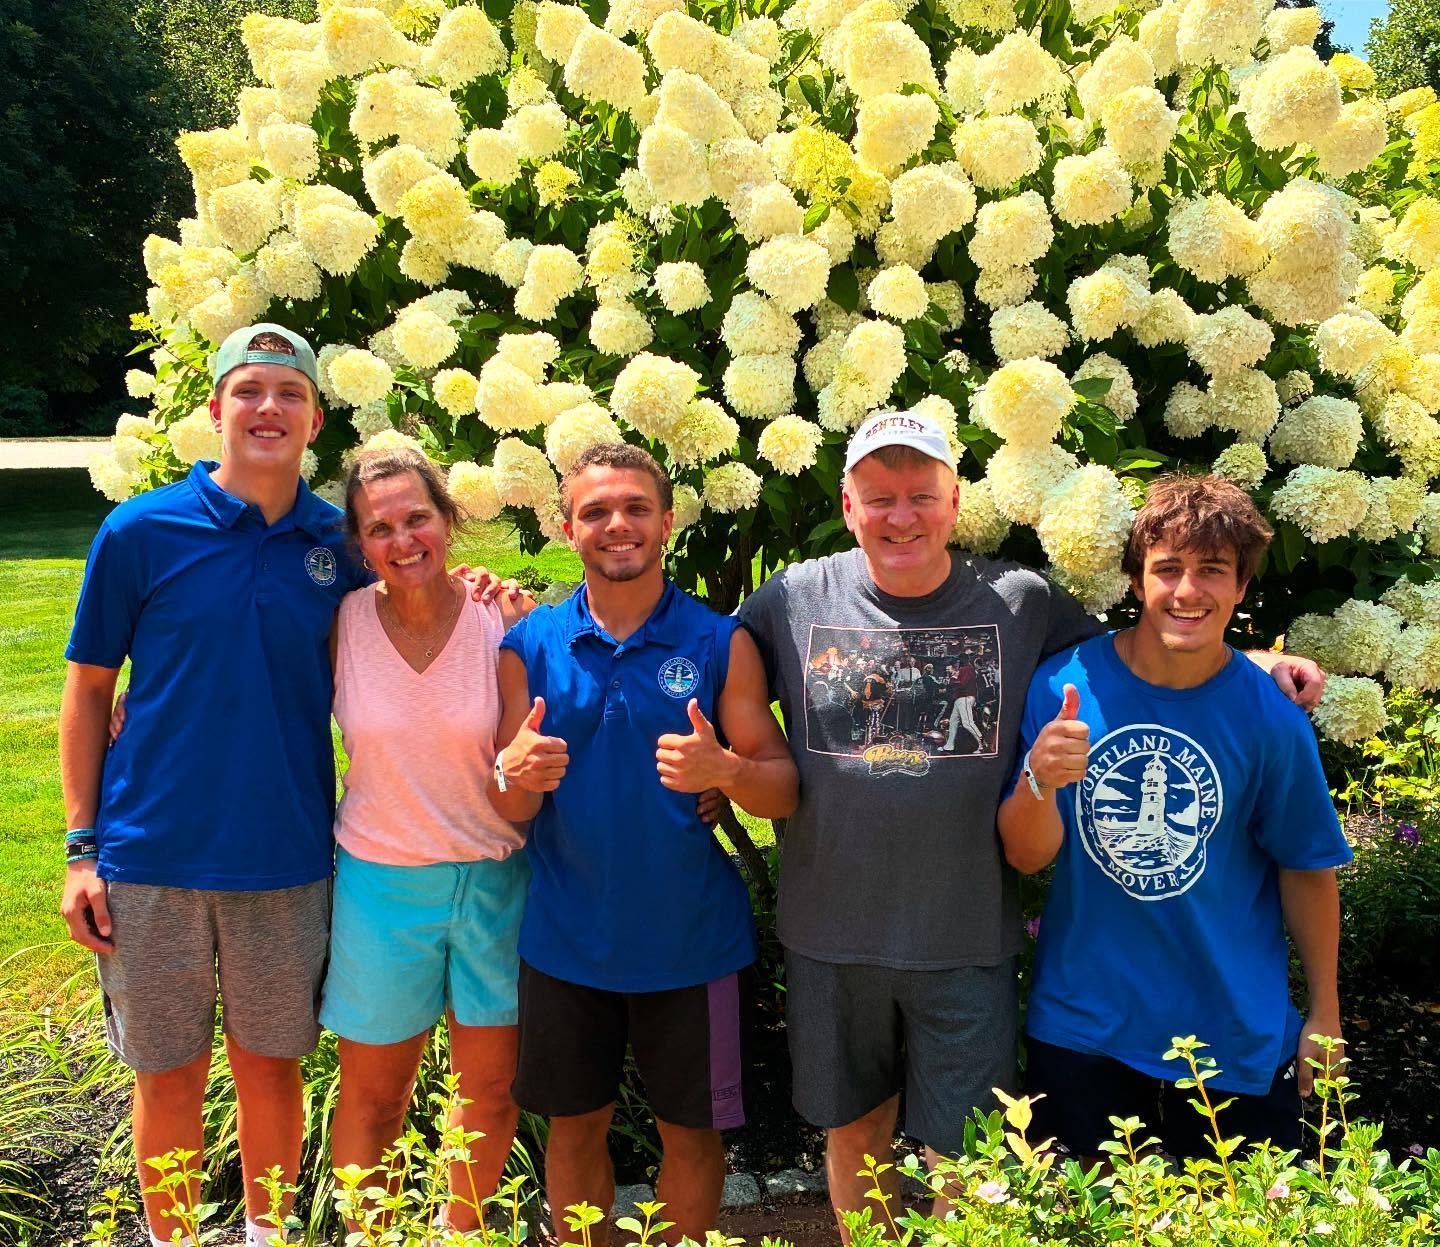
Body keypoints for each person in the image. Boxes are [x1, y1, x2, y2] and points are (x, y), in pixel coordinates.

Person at [735, 409, 1326, 1240]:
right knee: (856, 1131)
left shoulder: (1020, 600)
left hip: (967, 936)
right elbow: (711, 658)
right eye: (879, 496)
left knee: (965, 1151)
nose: (900, 515)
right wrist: (711, 777)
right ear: (847, 506)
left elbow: (1152, 643)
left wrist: (1257, 660)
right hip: (832, 932)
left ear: (954, 502)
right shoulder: (791, 597)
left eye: (921, 494)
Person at [59, 324, 365, 1247]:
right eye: (249, 390)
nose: (269, 408)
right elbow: (88, 690)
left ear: (316, 418)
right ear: (216, 408)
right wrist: (80, 849)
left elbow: (413, 641)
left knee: (271, 1068)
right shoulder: (140, 531)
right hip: (151, 855)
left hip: (284, 856)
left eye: (289, 393)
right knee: (168, 1075)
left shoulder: (341, 543)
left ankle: (271, 1236)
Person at [485, 443, 799, 1245]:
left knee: (692, 1136)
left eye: (635, 507)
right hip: (566, 942)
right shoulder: (530, 645)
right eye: (595, 510)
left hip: (692, 943)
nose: (616, 524)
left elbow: (782, 787)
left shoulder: (718, 640)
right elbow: (511, 805)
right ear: (567, 529)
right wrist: (514, 771)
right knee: (573, 1131)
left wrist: (726, 770)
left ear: (666, 521)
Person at [999, 474, 1351, 1160]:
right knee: (1089, 1214)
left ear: (1241, 586)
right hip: (1085, 1027)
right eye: (1167, 568)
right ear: (1137, 580)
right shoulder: (1063, 688)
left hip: (1233, 1033)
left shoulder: (1272, 721)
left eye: (1212, 569)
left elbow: (1307, 868)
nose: (1187, 590)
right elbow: (1026, 855)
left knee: (1242, 1213)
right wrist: (1039, 777)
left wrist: (1325, 1012)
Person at [321, 446, 533, 1230]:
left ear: (449, 519)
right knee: (374, 1098)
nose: (403, 540)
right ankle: (370, 1236)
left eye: (417, 518)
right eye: (380, 528)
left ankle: (460, 1233)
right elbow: (250, 688)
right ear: (359, 543)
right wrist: (138, 705)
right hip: (382, 884)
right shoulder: (342, 623)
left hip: (495, 881)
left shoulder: (503, 620)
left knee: (492, 1093)